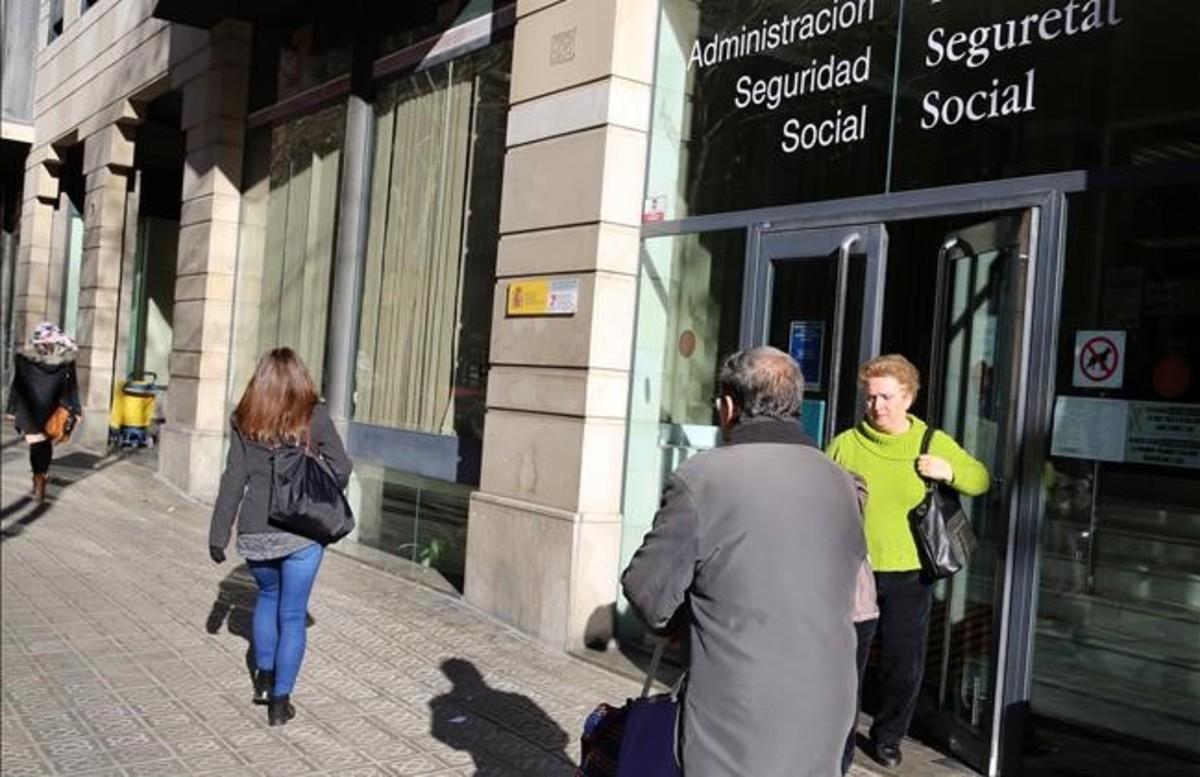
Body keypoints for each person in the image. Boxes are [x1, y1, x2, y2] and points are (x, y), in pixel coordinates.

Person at [622, 346, 865, 777]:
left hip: (740, 703)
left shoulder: (703, 478)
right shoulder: (841, 481)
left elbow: (647, 590)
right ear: (795, 405)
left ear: (729, 407)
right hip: (829, 695)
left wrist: (676, 625)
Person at [826, 354, 990, 768]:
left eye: (885, 397)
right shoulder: (846, 444)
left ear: (909, 397)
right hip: (854, 573)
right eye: (870, 398)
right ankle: (838, 742)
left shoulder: (930, 442)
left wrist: (947, 469)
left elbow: (980, 479)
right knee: (846, 666)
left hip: (910, 575)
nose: (876, 406)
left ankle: (888, 736)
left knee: (902, 666)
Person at [208, 347, 351, 727]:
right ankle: (280, 704)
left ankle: (264, 681)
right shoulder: (314, 416)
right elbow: (342, 466)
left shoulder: (245, 417)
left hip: (256, 532)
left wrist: (218, 532)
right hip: (303, 532)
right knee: (292, 614)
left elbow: (233, 477)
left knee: (267, 600)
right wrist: (317, 487)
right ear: (302, 378)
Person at [5, 322, 81, 502]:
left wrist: (11, 407)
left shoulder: (24, 360)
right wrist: (75, 408)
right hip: (53, 408)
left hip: (29, 409)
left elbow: (17, 384)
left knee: (36, 445)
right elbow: (72, 387)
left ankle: (38, 478)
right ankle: (41, 477)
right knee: (45, 445)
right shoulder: (66, 361)